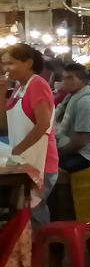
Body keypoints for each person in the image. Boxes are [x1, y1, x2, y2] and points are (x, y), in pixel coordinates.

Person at [4, 43, 58, 224]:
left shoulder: (37, 85)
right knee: (26, 209)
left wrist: (18, 150)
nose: (6, 68)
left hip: (41, 162)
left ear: (28, 63)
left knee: (34, 210)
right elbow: (4, 121)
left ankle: (42, 249)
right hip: (26, 161)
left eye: (10, 63)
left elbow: (43, 124)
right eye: (3, 64)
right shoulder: (20, 87)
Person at [53, 63, 90, 174]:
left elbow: (80, 142)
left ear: (84, 81)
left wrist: (56, 152)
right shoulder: (71, 98)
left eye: (70, 78)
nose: (65, 81)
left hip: (86, 157)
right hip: (75, 152)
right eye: (64, 78)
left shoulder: (85, 103)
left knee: (47, 170)